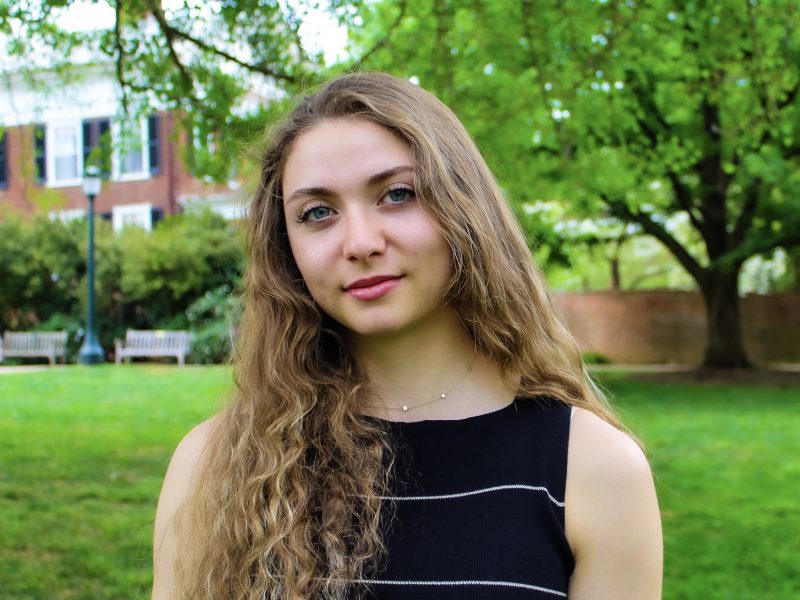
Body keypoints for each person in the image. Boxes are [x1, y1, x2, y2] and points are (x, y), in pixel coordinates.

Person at [151, 72, 662, 600]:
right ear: (286, 249)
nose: (360, 242)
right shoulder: (212, 466)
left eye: (397, 194)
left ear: (464, 209)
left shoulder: (594, 469)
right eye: (317, 213)